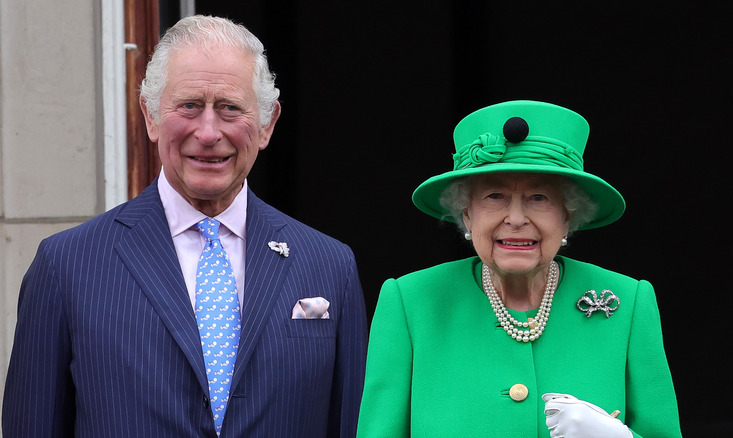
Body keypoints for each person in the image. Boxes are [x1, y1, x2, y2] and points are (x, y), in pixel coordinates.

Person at [3, 15, 367, 437]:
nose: (209, 132)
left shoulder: (329, 266)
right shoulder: (66, 265)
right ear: (151, 116)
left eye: (230, 107)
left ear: (267, 124)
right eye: (189, 106)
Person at [357, 100, 681, 437]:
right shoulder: (410, 302)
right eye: (494, 196)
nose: (515, 219)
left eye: (539, 198)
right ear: (467, 214)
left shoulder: (628, 302)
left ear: (568, 215)